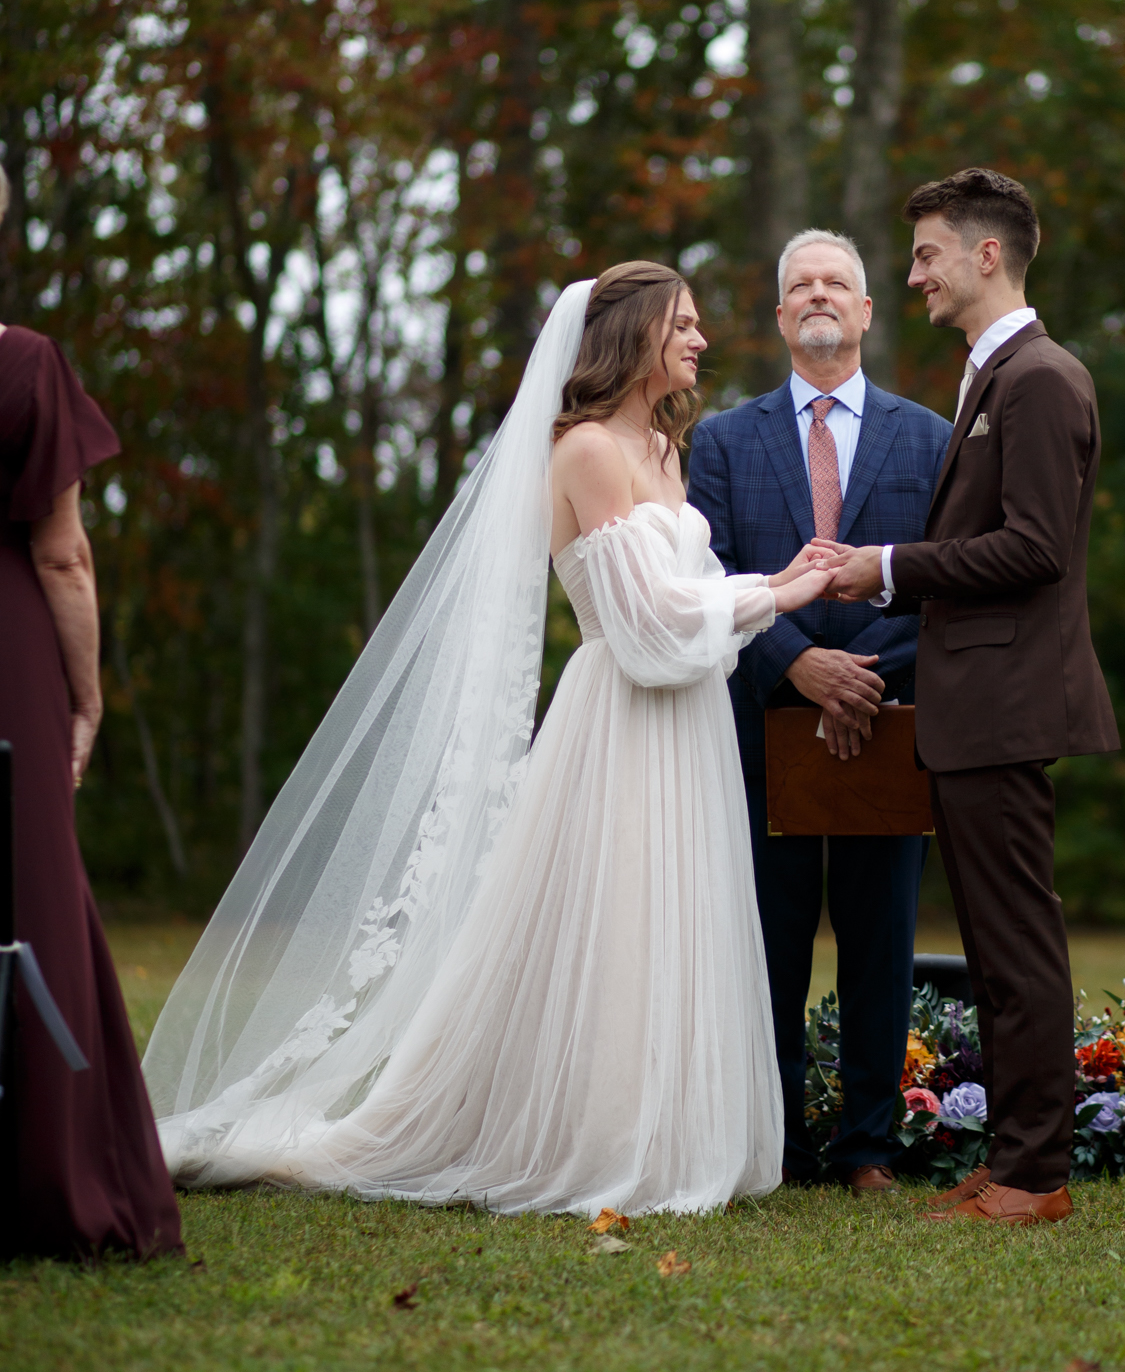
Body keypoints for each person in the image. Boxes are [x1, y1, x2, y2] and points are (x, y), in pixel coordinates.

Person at [146, 263, 831, 1215]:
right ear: (633, 334)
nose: (700, 341)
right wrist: (779, 594)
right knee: (617, 918)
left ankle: (668, 1128)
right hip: (621, 718)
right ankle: (596, 1136)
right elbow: (643, 629)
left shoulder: (664, 450)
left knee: (674, 917)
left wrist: (767, 587)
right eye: (681, 324)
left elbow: (688, 604)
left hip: (688, 724)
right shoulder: (586, 450)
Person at [820, 169, 1120, 1226]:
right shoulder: (992, 375)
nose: (914, 276)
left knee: (1016, 945)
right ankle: (1013, 1162)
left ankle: (1034, 1177)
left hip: (1004, 702)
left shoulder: (1039, 378)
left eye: (927, 254)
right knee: (995, 948)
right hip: (977, 707)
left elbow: (1034, 547)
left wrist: (885, 568)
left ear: (986, 254)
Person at [687, 231, 950, 1192]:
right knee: (769, 941)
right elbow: (708, 576)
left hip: (887, 723)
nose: (818, 294)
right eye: (799, 285)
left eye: (837, 281)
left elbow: (943, 580)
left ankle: (868, 1146)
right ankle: (779, 1144)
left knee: (880, 944)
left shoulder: (930, 438)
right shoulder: (723, 441)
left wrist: (858, 679)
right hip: (762, 723)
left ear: (867, 310)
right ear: (779, 316)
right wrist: (799, 666)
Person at [0, 170, 183, 1261]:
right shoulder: (23, 364)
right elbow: (61, 553)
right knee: (22, 885)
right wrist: (88, 694)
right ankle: (43, 1177)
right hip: (8, 651)